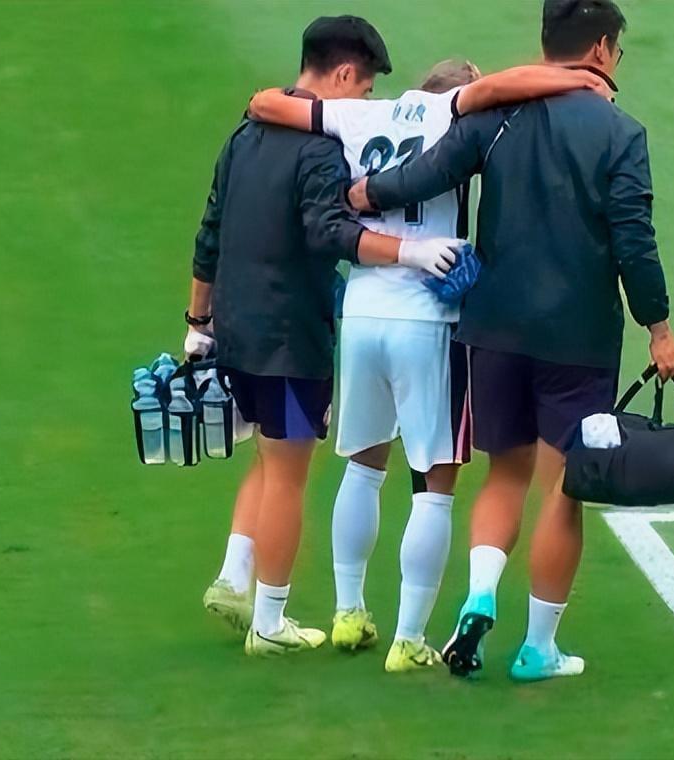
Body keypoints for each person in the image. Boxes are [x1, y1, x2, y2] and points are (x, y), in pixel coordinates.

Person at [349, 0, 674, 681]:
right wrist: (659, 327)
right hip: (577, 337)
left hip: (493, 329)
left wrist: (363, 195)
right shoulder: (621, 133)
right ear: (601, 48)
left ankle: (479, 595)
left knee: (505, 473)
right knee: (563, 487)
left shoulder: (497, 117)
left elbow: (427, 173)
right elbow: (633, 239)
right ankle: (538, 648)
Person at [246, 60, 611, 671]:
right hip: (427, 318)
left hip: (362, 309)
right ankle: (408, 639)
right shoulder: (452, 113)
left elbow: (268, 104)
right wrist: (576, 79)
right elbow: (500, 88)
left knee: (362, 468)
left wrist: (265, 100)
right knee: (434, 487)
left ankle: (348, 610)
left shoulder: (361, 113)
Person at [188, 15, 466, 657]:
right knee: (289, 472)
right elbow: (330, 232)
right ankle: (269, 622)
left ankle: (234, 574)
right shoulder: (319, 150)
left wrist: (197, 323)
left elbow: (210, 229)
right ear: (342, 74)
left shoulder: (244, 135)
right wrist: (409, 251)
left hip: (234, 327)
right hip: (289, 336)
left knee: (267, 455)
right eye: (364, 90)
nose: (364, 104)